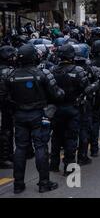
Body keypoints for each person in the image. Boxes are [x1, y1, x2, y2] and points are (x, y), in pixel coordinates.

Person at [3, 44, 64, 194]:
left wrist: (15, 108)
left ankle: (18, 184)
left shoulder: (10, 76)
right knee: (41, 147)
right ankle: (44, 183)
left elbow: (4, 97)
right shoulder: (42, 74)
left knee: (20, 148)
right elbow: (57, 94)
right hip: (38, 115)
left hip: (19, 115)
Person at [49, 45, 90, 175]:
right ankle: (69, 168)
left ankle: (54, 165)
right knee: (71, 138)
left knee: (56, 136)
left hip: (56, 109)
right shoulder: (78, 71)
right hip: (72, 108)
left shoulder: (52, 70)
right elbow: (86, 88)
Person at [0, 46, 17, 169]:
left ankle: (8, 155)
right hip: (4, 106)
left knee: (7, 130)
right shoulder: (6, 71)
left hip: (6, 106)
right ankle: (4, 158)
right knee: (5, 131)